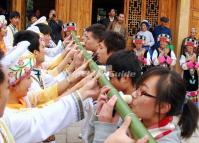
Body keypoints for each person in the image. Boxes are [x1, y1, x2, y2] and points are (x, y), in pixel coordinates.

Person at [89, 67, 199, 143]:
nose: (133, 94)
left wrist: (105, 130)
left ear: (163, 107)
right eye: (138, 88)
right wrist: (103, 121)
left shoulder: (166, 140)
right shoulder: (131, 121)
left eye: (143, 92)